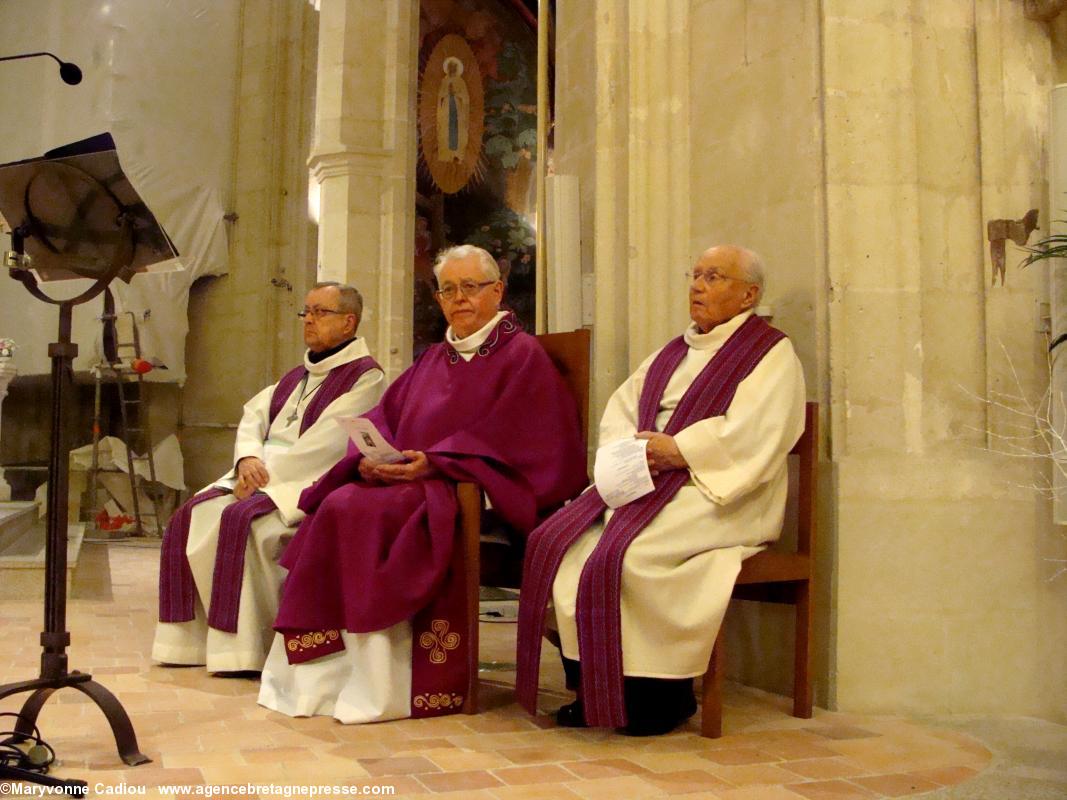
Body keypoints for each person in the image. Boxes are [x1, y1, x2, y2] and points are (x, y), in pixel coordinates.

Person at [258, 244, 587, 723]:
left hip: (465, 494)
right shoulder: (436, 357)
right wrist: (368, 460)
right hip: (410, 482)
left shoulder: (523, 357)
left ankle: (388, 684)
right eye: (448, 290)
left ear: (497, 291)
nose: (460, 299)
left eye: (471, 287)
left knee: (363, 511)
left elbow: (533, 444)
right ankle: (328, 678)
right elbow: (382, 416)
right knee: (341, 502)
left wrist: (436, 463)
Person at [516, 245, 806, 736]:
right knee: (563, 547)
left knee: (635, 556)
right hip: (649, 484)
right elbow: (621, 411)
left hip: (720, 492)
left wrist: (680, 449)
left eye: (714, 277)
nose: (697, 286)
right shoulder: (672, 352)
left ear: (748, 294)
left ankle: (659, 701)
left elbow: (759, 432)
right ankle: (592, 691)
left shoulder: (771, 353)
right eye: (695, 275)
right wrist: (632, 454)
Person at [153, 282, 384, 673]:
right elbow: (253, 416)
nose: (309, 320)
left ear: (349, 322)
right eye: (306, 311)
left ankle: (246, 651)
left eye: (320, 312)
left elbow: (327, 445)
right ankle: (188, 645)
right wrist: (246, 459)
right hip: (258, 474)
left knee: (243, 524)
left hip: (301, 482)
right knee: (186, 518)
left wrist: (264, 479)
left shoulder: (366, 378)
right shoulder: (297, 375)